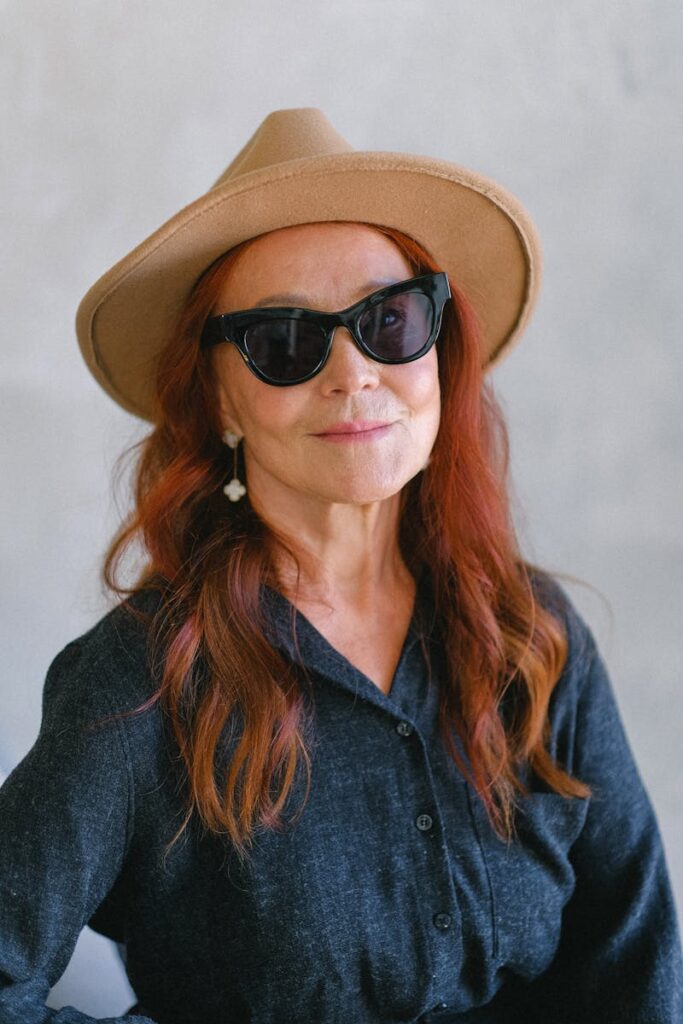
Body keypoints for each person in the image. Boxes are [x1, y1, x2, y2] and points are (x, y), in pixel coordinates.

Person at [0, 108, 680, 1024]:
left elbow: (635, 968)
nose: (353, 373)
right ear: (219, 400)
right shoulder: (142, 680)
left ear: (439, 353)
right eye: (284, 341)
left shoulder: (532, 633)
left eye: (388, 320)